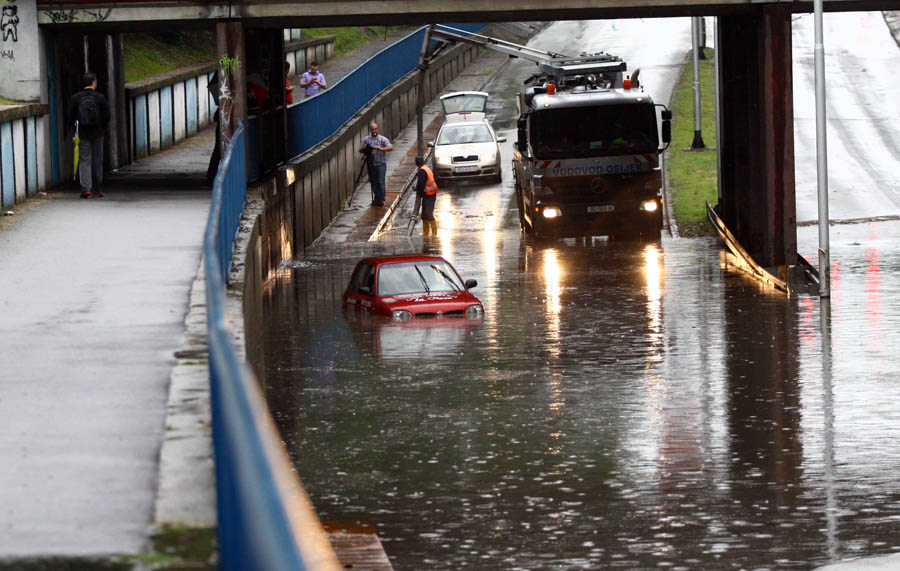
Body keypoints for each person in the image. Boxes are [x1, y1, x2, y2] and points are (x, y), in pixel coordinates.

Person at [68, 72, 110, 198]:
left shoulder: (76, 98)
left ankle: (86, 188)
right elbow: (107, 116)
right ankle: (96, 190)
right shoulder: (100, 98)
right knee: (97, 161)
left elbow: (70, 116)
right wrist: (102, 128)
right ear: (93, 82)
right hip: (98, 133)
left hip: (82, 133)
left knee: (84, 160)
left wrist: (75, 130)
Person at [359, 121, 392, 206]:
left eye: (375, 129)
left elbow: (390, 147)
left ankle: (381, 199)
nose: (374, 131)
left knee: (380, 182)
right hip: (371, 164)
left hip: (381, 164)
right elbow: (360, 150)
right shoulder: (366, 139)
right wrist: (364, 148)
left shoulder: (382, 139)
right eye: (372, 129)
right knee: (373, 182)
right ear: (370, 130)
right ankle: (376, 198)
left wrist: (380, 148)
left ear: (378, 129)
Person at [414, 155, 439, 236]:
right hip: (429, 194)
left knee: (428, 214)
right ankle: (426, 233)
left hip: (429, 194)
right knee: (424, 215)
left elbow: (421, 184)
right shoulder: (426, 168)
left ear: (416, 163)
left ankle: (434, 233)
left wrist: (417, 189)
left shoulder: (422, 171)